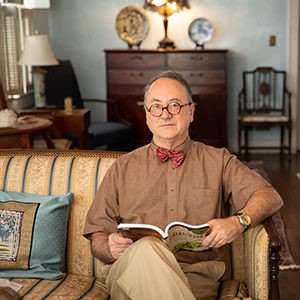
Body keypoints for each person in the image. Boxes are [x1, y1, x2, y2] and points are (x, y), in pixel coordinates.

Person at [83, 70, 283, 300]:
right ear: (147, 116)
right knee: (146, 249)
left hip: (195, 278)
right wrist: (108, 246)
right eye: (156, 107)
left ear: (191, 111)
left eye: (175, 105)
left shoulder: (218, 160)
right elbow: (97, 235)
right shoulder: (122, 168)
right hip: (131, 275)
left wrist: (238, 222)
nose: (165, 114)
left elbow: (270, 196)